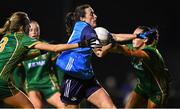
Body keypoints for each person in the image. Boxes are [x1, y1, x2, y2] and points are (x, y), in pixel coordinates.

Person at [0, 11, 93, 108]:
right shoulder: (23, 38)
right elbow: (55, 48)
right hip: (2, 81)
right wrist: (80, 44)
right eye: (28, 25)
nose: (30, 29)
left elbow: (23, 57)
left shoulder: (7, 36)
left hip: (45, 84)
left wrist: (42, 51)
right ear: (22, 27)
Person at [106, 26, 171, 108]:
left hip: (157, 91)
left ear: (145, 39)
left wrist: (112, 44)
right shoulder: (134, 47)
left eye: (137, 36)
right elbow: (118, 49)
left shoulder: (151, 52)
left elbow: (128, 51)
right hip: (143, 86)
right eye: (133, 36)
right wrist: (101, 44)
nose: (133, 38)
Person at [22, 20, 65, 108]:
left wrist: (61, 83)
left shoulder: (47, 46)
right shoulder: (22, 49)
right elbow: (16, 71)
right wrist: (19, 85)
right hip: (32, 85)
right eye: (31, 30)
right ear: (26, 32)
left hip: (48, 83)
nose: (34, 32)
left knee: (64, 106)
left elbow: (58, 67)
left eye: (36, 29)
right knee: (36, 107)